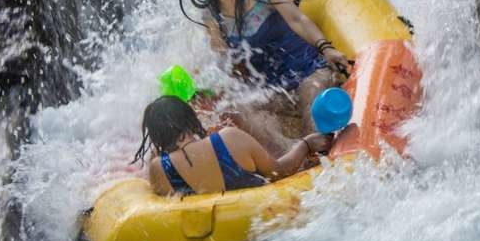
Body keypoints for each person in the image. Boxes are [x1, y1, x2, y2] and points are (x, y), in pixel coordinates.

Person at [179, 0, 351, 139]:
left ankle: (318, 144)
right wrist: (209, 87)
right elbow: (224, 62)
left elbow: (297, 19)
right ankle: (292, 157)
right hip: (273, 90)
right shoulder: (212, 16)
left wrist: (326, 48)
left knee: (314, 113)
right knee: (240, 110)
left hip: (308, 71)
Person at [132, 96, 332, 196]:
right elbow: (279, 172)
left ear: (155, 135)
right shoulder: (230, 138)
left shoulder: (159, 168)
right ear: (190, 118)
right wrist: (306, 145)